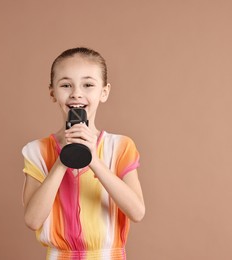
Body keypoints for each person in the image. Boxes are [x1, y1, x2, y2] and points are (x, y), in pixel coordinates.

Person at [21, 47, 145, 260]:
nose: (76, 93)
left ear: (104, 92)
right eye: (66, 85)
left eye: (88, 85)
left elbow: (137, 212)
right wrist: (63, 160)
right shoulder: (37, 151)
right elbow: (32, 220)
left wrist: (94, 161)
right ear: (52, 92)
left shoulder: (121, 146)